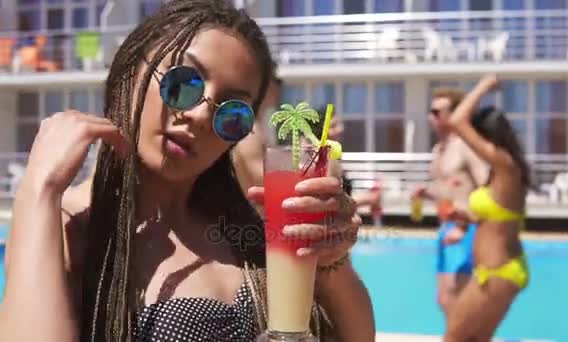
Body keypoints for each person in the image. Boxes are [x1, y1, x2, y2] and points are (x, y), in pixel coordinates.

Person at [0, 1, 375, 341]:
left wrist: (332, 264)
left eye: (232, 113)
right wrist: (39, 189)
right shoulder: (69, 228)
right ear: (129, 72)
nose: (199, 115)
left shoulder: (244, 231)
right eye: (183, 84)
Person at [444, 74, 530, 341]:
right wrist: (468, 216)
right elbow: (498, 218)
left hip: (496, 271)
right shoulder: (503, 170)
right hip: (501, 270)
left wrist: (484, 85)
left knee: (453, 338)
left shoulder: (504, 164)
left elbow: (457, 120)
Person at [411, 87, 490, 317]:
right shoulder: (439, 150)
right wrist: (426, 193)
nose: (431, 117)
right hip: (447, 228)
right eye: (431, 111)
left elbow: (487, 187)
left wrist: (464, 225)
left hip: (467, 230)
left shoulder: (466, 147)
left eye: (437, 112)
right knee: (446, 300)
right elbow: (447, 191)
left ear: (456, 114)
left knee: (461, 302)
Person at [231, 64, 282, 197]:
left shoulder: (254, 128)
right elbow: (264, 181)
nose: (279, 88)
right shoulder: (250, 132)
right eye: (276, 81)